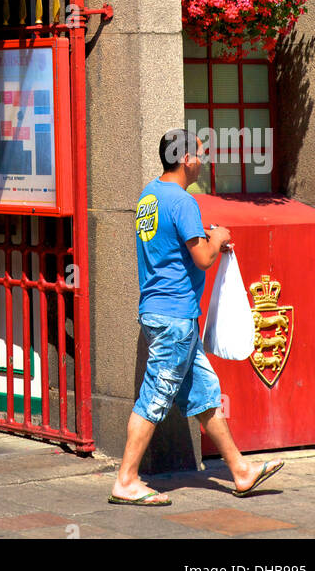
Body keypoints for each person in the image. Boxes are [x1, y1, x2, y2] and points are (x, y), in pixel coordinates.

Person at [109, 128, 284, 506]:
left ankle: (239, 471)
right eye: (201, 154)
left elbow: (169, 243)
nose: (205, 160)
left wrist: (203, 235)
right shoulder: (184, 201)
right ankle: (125, 479)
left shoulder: (149, 196)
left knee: (204, 393)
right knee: (154, 396)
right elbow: (203, 259)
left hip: (159, 310)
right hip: (175, 316)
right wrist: (217, 237)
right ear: (185, 158)